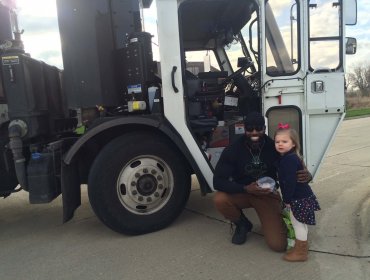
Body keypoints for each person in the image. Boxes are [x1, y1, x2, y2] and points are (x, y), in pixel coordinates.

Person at [213, 111, 311, 252]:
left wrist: (308, 175)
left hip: (267, 195)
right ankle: (242, 224)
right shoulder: (233, 149)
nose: (254, 133)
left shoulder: (274, 147)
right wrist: (245, 188)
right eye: (250, 129)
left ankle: (280, 221)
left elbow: (295, 161)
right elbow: (218, 182)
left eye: (258, 128)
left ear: (264, 129)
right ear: (244, 129)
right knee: (220, 199)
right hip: (244, 192)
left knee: (278, 245)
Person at [274, 124, 320, 262]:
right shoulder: (291, 157)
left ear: (293, 144)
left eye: (285, 141)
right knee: (301, 223)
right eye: (277, 142)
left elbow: (289, 182)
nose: (280, 144)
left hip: (297, 198)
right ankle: (302, 247)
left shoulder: (288, 160)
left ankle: (301, 253)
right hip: (303, 196)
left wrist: (287, 200)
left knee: (297, 223)